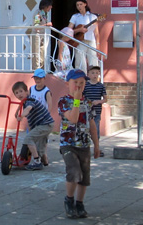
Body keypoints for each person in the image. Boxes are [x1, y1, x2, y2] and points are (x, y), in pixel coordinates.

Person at [58, 69, 100, 219]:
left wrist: (96, 144)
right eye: (75, 83)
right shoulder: (63, 102)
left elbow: (92, 125)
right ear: (67, 83)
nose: (78, 86)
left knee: (84, 176)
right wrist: (76, 100)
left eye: (81, 83)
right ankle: (69, 200)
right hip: (68, 144)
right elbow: (73, 118)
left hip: (84, 145)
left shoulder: (88, 102)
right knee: (74, 171)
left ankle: (79, 203)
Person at [12, 81, 54, 170]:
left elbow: (28, 109)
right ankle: (44, 162)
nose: (19, 94)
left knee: (28, 139)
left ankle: (37, 162)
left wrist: (21, 115)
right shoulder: (25, 102)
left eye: (21, 91)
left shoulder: (30, 101)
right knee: (40, 146)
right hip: (46, 124)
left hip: (44, 124)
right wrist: (16, 113)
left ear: (27, 92)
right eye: (16, 93)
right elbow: (23, 109)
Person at [67, 0, 100, 73]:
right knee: (80, 63)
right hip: (80, 41)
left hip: (91, 41)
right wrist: (79, 30)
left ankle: (94, 80)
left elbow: (96, 32)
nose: (79, 6)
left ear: (85, 4)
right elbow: (68, 30)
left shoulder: (93, 17)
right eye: (77, 5)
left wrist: (98, 44)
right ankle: (81, 80)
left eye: (81, 4)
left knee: (93, 61)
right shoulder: (75, 17)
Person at [29, 68, 52, 166]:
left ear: (44, 79)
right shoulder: (31, 89)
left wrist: (46, 117)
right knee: (31, 138)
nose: (37, 81)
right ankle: (35, 156)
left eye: (39, 78)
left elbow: (50, 105)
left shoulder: (46, 91)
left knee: (42, 140)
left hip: (42, 119)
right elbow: (28, 101)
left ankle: (44, 156)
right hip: (33, 118)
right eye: (36, 78)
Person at [83, 65, 107, 157]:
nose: (95, 75)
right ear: (88, 74)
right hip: (86, 111)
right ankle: (85, 148)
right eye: (93, 73)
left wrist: (98, 101)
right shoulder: (85, 85)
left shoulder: (101, 86)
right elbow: (82, 96)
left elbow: (105, 99)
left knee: (96, 129)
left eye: (97, 73)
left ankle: (97, 148)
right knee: (85, 130)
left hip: (96, 112)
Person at [31, 0, 53, 70]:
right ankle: (36, 70)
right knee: (36, 54)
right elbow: (36, 26)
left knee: (42, 55)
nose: (51, 7)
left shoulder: (44, 13)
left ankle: (41, 69)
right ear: (46, 5)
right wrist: (46, 25)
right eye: (50, 5)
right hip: (37, 36)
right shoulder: (38, 13)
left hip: (42, 36)